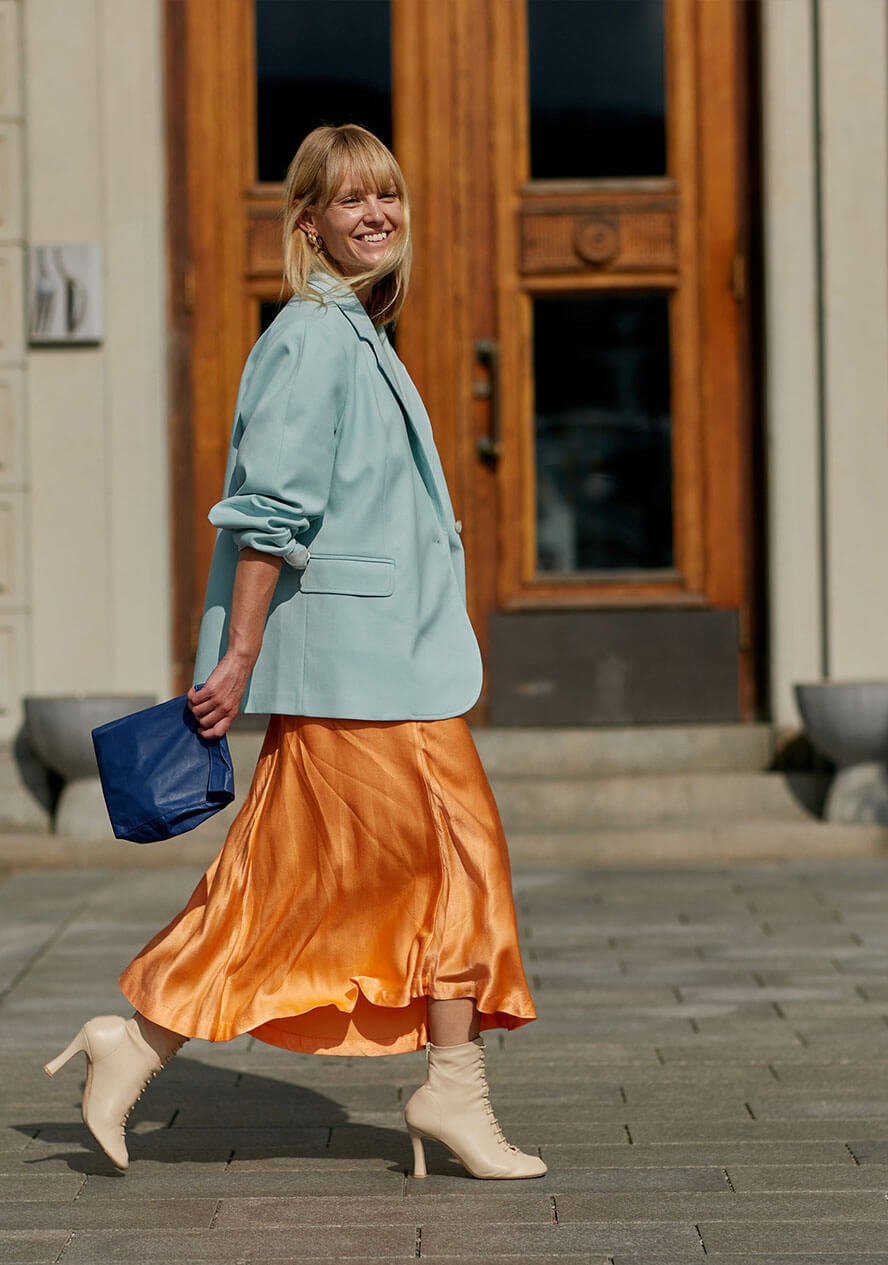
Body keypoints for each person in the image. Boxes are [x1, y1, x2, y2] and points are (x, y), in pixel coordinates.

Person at [43, 124, 545, 1182]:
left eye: (389, 197)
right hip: (361, 671)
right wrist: (237, 659)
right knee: (454, 859)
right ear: (305, 220)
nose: (376, 215)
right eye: (350, 199)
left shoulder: (351, 330)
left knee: (288, 877)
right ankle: (449, 1089)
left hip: (377, 663)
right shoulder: (313, 337)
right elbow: (268, 514)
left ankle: (136, 1041)